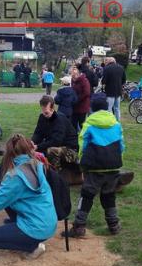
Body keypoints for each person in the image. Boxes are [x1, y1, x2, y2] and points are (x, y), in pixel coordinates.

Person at [62, 96, 125, 238]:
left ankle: (79, 226)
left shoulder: (89, 125)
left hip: (94, 165)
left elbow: (82, 145)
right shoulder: (116, 124)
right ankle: (113, 225)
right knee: (109, 195)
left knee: (87, 195)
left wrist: (82, 164)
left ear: (92, 108)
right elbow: (121, 145)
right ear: (107, 107)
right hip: (113, 165)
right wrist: (116, 160)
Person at [32, 95, 78, 171]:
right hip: (56, 145)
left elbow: (56, 141)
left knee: (51, 151)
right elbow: (38, 133)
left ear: (53, 109)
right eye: (43, 112)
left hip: (70, 149)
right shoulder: (42, 117)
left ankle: (56, 173)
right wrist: (32, 142)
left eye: (46, 113)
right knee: (33, 150)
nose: (44, 115)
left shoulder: (59, 119)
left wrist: (38, 146)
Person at [70, 66, 91, 132]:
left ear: (78, 74)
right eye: (72, 75)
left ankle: (84, 137)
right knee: (73, 123)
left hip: (82, 105)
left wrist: (77, 99)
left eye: (75, 75)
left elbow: (86, 92)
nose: (73, 77)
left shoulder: (84, 80)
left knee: (82, 123)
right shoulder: (73, 80)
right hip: (74, 105)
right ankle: (74, 137)